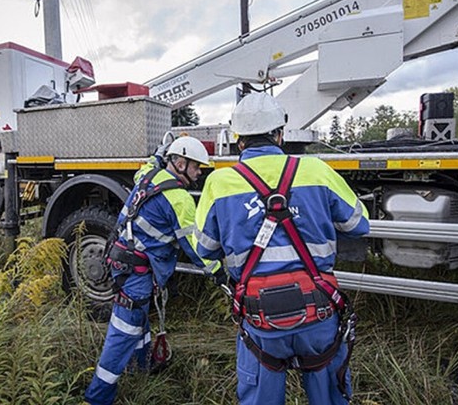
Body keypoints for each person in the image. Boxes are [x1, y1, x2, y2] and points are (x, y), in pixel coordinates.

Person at [195, 92, 369, 405]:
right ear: (279, 134)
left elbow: (204, 248)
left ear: (239, 141)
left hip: (261, 320)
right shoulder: (316, 170)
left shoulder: (219, 183)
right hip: (318, 313)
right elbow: (359, 226)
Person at [85, 136, 221, 405]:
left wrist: (161, 153)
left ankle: (143, 366)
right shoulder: (180, 199)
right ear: (180, 163)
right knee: (123, 332)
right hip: (136, 273)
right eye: (196, 166)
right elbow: (195, 248)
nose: (199, 172)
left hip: (122, 263)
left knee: (139, 318)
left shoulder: (148, 175)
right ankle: (97, 396)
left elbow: (148, 163)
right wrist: (219, 272)